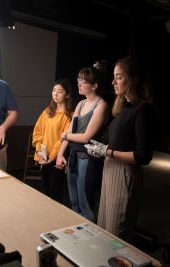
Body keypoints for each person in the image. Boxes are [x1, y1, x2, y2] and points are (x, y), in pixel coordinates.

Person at [84, 56, 157, 241]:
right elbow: (122, 143)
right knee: (104, 227)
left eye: (119, 77)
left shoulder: (143, 110)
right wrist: (106, 148)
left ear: (133, 79)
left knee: (117, 233)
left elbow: (143, 156)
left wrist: (107, 151)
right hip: (111, 169)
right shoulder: (124, 107)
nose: (113, 81)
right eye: (114, 77)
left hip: (124, 173)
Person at [56, 63, 109, 222]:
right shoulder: (81, 103)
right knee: (73, 201)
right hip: (73, 154)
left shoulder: (101, 105)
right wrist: (60, 154)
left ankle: (90, 238)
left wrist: (65, 136)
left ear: (94, 86)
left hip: (88, 157)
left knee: (85, 203)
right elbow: (71, 131)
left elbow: (86, 137)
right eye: (78, 80)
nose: (78, 83)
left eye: (83, 81)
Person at [32, 79, 74, 203]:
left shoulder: (69, 115)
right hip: (43, 157)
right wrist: (39, 150)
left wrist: (51, 157)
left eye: (60, 91)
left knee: (55, 195)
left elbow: (63, 139)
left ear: (67, 95)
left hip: (57, 159)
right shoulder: (47, 111)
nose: (55, 94)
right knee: (45, 193)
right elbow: (37, 132)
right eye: (54, 90)